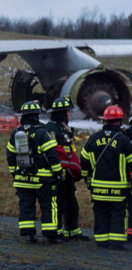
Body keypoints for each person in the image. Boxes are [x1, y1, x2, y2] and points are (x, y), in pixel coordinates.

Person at [6, 100, 64, 244]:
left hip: (22, 179)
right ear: (37, 115)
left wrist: (15, 174)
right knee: (48, 206)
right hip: (43, 180)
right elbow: (51, 155)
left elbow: (10, 156)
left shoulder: (16, 133)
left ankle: (27, 234)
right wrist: (58, 173)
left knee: (26, 206)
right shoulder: (42, 133)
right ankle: (49, 235)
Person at [80, 105, 132, 250]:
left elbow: (83, 160)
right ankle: (116, 242)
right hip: (119, 188)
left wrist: (87, 178)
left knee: (101, 212)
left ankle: (102, 241)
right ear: (119, 122)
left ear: (105, 121)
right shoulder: (124, 140)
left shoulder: (93, 138)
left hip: (98, 187)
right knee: (118, 213)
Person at [44, 96, 89, 241]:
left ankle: (73, 231)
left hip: (68, 173)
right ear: (61, 113)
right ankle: (57, 232)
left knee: (71, 203)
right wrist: (59, 170)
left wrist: (74, 168)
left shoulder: (65, 128)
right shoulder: (52, 129)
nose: (70, 114)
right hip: (58, 173)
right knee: (59, 203)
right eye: (68, 111)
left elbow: (70, 150)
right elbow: (51, 152)